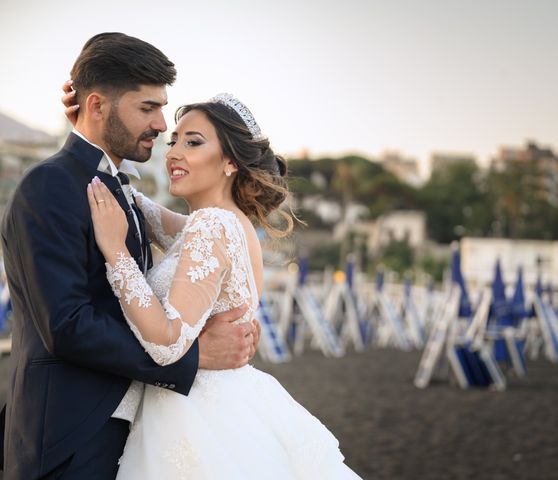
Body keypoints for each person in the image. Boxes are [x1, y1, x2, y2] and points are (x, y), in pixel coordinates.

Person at [0, 33, 258, 479]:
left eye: (163, 110)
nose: (161, 126)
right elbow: (66, 325)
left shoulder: (124, 192)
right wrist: (194, 358)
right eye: (148, 108)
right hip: (70, 435)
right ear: (98, 106)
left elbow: (206, 234)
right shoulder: (50, 187)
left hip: (128, 430)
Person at [84, 92, 362, 479]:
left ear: (231, 161)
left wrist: (116, 253)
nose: (174, 153)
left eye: (193, 142)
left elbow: (167, 343)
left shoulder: (211, 226)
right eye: (173, 141)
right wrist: (93, 133)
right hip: (229, 404)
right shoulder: (230, 224)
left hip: (195, 416)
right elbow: (142, 210)